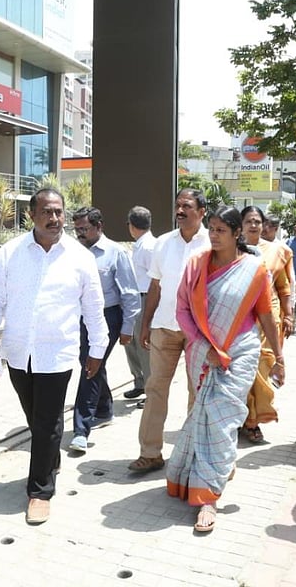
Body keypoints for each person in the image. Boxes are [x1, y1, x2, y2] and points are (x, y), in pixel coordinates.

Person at [0, 188, 109, 525]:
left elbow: (94, 307)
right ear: (32, 215)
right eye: (47, 212)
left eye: (59, 212)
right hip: (18, 353)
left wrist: (97, 349)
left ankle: (40, 492)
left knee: (48, 421)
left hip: (57, 353)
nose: (54, 218)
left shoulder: (79, 257)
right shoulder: (11, 253)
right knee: (36, 419)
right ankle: (50, 460)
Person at [168, 206, 284, 532]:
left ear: (236, 233)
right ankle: (208, 472)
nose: (214, 235)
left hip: (240, 353)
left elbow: (265, 315)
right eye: (212, 229)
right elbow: (182, 309)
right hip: (203, 353)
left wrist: (279, 356)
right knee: (203, 415)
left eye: (221, 230)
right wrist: (205, 347)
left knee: (222, 419)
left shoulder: (254, 269)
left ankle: (208, 497)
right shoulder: (196, 264)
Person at [129, 188, 210, 473]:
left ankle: (191, 454)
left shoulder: (213, 243)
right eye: (178, 205)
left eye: (187, 206)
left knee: (197, 392)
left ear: (201, 212)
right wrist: (146, 324)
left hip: (198, 332)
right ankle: (150, 453)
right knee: (155, 389)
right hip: (164, 327)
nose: (180, 211)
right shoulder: (163, 243)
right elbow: (155, 286)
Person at [68, 207, 140, 453]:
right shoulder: (74, 253)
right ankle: (104, 409)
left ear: (99, 226)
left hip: (107, 316)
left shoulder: (115, 252)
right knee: (91, 363)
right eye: (77, 229)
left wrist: (128, 328)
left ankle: (81, 429)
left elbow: (130, 293)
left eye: (84, 229)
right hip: (80, 316)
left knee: (90, 366)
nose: (80, 233)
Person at [240, 205, 294, 444]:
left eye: (257, 221)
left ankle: (254, 420)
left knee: (263, 367)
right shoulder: (231, 249)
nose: (253, 225)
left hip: (267, 318)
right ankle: (243, 418)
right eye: (249, 221)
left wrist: (288, 315)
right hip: (239, 318)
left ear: (263, 225)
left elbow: (283, 286)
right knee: (241, 369)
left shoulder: (277, 251)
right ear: (241, 225)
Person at [123, 206, 157, 403]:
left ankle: (151, 390)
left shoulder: (149, 247)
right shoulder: (140, 245)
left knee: (144, 345)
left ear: (132, 225)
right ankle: (139, 382)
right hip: (135, 298)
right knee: (131, 342)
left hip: (146, 299)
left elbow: (157, 280)